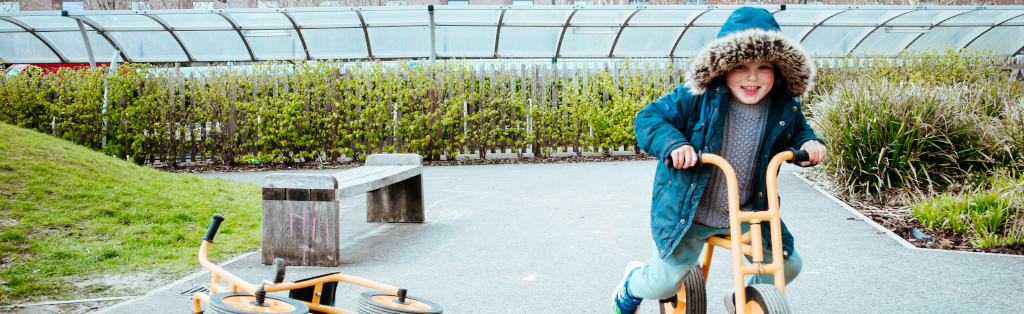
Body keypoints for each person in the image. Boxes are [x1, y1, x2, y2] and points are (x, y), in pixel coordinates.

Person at [611, 7, 827, 314]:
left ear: (779, 71)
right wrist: (675, 144)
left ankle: (745, 299)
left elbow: (798, 132)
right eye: (740, 66)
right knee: (664, 282)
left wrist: (809, 142)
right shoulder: (695, 97)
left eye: (764, 67)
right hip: (691, 213)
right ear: (723, 67)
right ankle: (631, 283)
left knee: (788, 264)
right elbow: (649, 118)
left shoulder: (783, 106)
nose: (752, 77)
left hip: (748, 212)